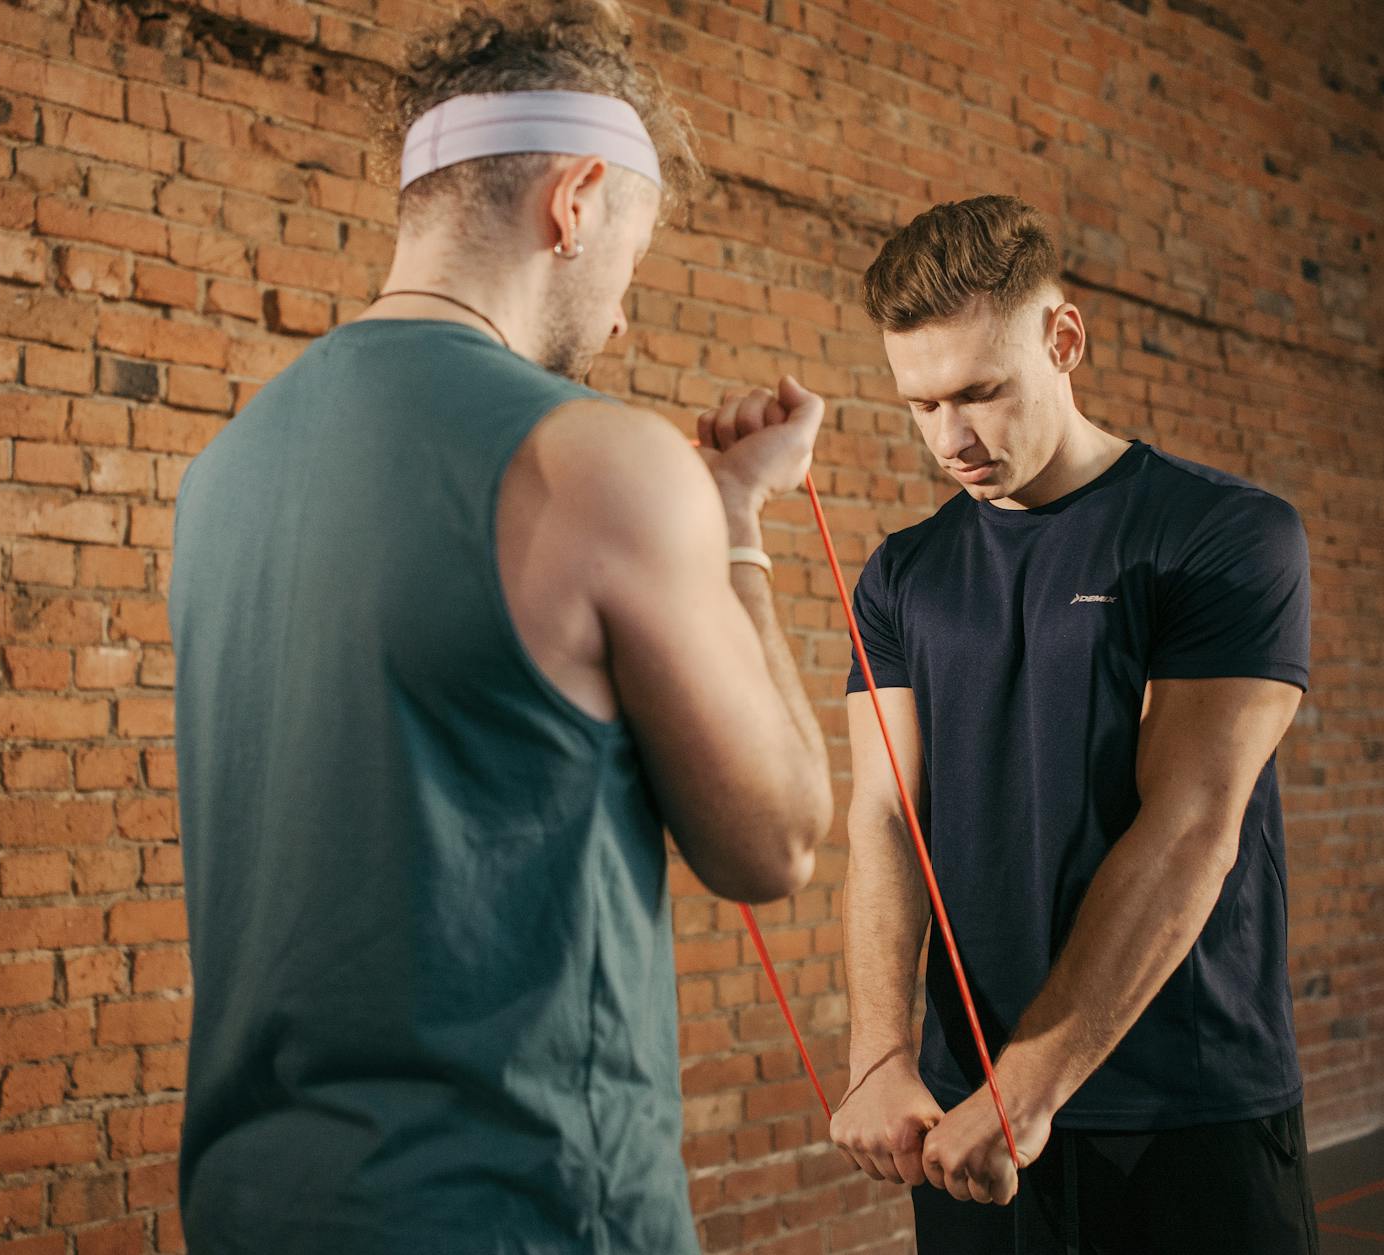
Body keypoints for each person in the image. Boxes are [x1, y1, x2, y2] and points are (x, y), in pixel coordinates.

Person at [167, 2, 836, 1250]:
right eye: (628, 266)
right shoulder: (600, 462)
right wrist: (735, 515)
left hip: (255, 1206)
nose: (622, 322)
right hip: (517, 1212)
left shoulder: (224, 469)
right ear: (574, 201)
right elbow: (776, 841)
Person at [826, 194, 1319, 1253]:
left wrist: (1029, 1087)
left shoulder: (1223, 535)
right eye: (918, 405)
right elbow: (882, 813)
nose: (949, 437)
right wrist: (879, 1054)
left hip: (1182, 1106)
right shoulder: (900, 575)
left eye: (978, 393)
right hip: (963, 1120)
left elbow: (1190, 822)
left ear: (1061, 339)